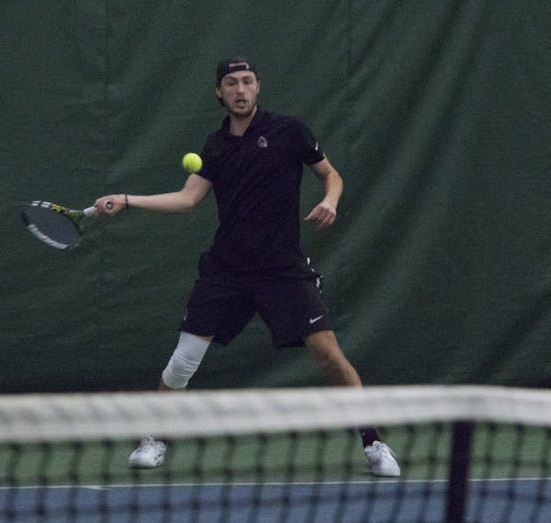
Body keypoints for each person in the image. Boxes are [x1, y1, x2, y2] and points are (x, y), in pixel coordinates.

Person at [94, 56, 400, 477]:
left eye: (247, 81)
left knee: (328, 355)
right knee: (183, 361)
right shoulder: (216, 147)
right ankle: (155, 438)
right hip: (227, 271)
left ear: (258, 87)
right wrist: (127, 200)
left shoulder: (290, 132)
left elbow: (331, 175)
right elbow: (188, 199)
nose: (240, 90)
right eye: (231, 83)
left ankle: (374, 442)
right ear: (219, 92)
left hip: (283, 270)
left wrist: (330, 200)